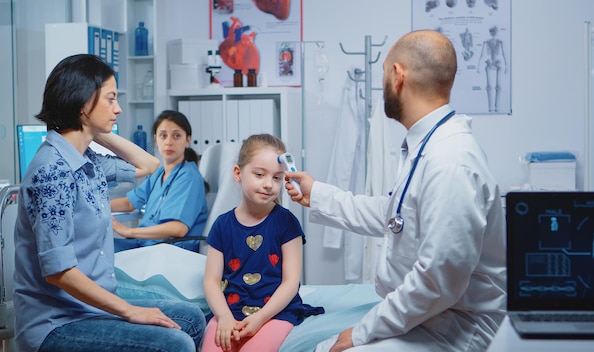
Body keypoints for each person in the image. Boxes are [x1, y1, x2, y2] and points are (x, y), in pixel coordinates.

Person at [285, 30, 506, 352]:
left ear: (397, 75)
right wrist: (317, 193)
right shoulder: (429, 147)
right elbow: (395, 216)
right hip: (431, 314)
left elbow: (437, 281)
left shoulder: (450, 163)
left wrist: (361, 332)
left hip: (456, 326)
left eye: (384, 73)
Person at [13, 54, 206, 352]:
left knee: (191, 318)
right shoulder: (52, 170)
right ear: (82, 101)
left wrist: (96, 131)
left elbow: (149, 164)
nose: (117, 109)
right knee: (175, 343)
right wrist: (130, 311)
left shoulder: (87, 161)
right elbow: (58, 272)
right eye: (110, 99)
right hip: (58, 321)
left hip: (88, 307)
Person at [202, 134, 323, 352]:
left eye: (277, 178)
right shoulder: (222, 225)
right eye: (259, 174)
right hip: (230, 311)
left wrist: (260, 318)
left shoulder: (286, 223)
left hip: (274, 313)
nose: (268, 184)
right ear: (238, 174)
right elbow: (211, 281)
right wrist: (224, 317)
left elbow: (290, 283)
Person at [111, 110, 208, 253]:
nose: (169, 142)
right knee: (99, 247)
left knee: (100, 254)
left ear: (188, 140)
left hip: (168, 251)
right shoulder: (159, 173)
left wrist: (127, 231)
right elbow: (130, 202)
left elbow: (178, 228)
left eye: (176, 136)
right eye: (163, 136)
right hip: (147, 245)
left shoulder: (189, 177)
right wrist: (97, 206)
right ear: (156, 140)